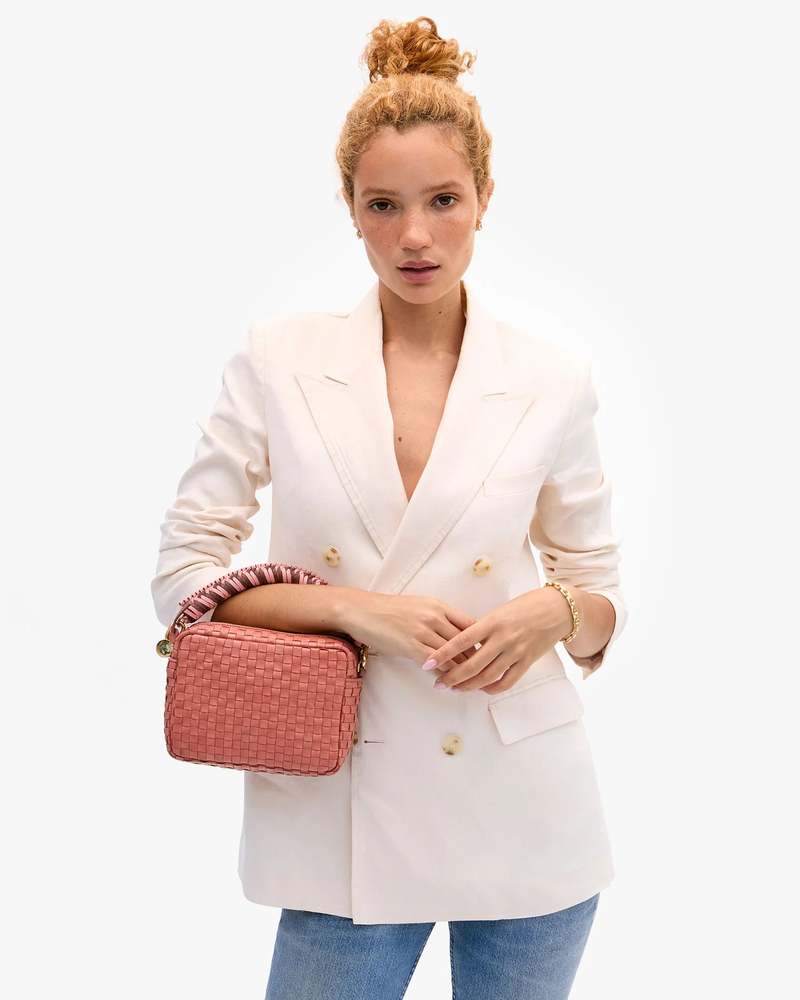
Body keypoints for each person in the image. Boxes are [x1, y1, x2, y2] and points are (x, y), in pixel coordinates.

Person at [151, 15, 628, 1000]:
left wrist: (551, 612)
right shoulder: (280, 358)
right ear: (351, 209)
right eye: (384, 205)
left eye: (443, 200)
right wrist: (355, 610)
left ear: (484, 198)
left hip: (525, 807)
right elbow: (184, 578)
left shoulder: (552, 376)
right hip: (343, 810)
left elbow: (597, 594)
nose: (415, 236)